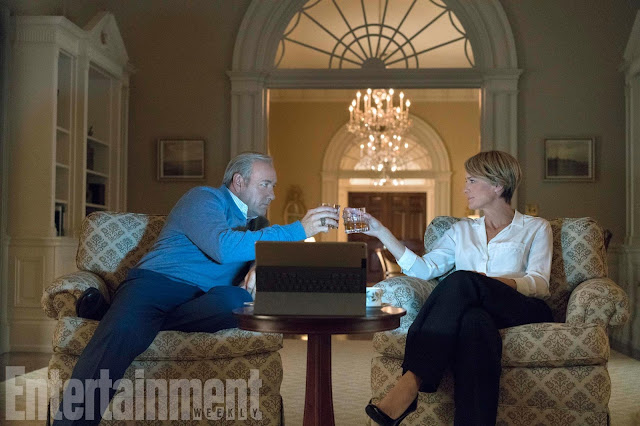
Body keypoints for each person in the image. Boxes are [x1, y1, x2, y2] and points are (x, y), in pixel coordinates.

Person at [53, 152, 339, 425]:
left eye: (273, 186)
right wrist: (299, 230)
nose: (272, 194)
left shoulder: (260, 225)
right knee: (119, 336)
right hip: (157, 285)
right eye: (265, 184)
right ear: (239, 181)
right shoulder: (203, 198)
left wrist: (259, 263)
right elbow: (223, 248)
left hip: (203, 301)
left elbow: (262, 249)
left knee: (237, 301)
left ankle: (110, 313)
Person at [363, 151, 553, 426]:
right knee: (474, 322)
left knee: (463, 280)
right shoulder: (461, 231)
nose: (465, 188)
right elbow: (424, 269)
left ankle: (411, 381)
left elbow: (539, 283)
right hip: (478, 313)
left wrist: (485, 282)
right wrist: (382, 231)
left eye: (472, 180)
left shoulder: (535, 227)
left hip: (522, 308)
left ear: (498, 185)